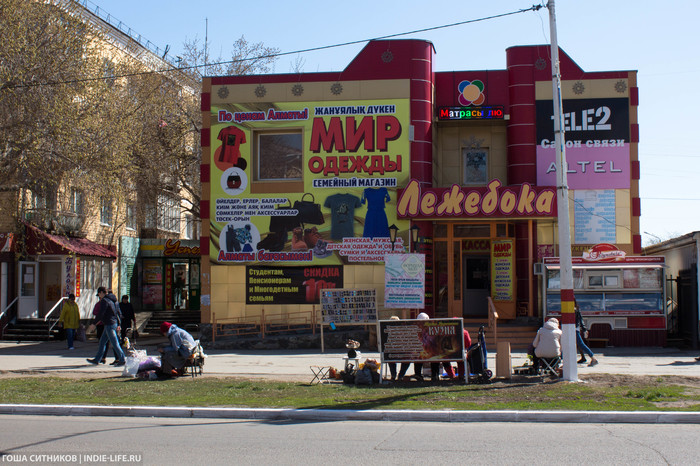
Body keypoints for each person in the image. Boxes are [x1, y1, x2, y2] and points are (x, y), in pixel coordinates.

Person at [86, 286, 126, 366]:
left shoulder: (105, 301)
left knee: (114, 343)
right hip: (113, 323)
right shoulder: (114, 300)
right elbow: (119, 313)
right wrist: (119, 324)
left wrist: (94, 323)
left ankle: (122, 359)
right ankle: (97, 359)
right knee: (102, 342)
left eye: (99, 294)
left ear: (101, 292)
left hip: (109, 324)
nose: (99, 297)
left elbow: (101, 313)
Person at [386, 316, 411, 382]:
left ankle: (393, 375)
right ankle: (401, 375)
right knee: (407, 359)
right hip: (402, 354)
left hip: (391, 355)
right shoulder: (404, 331)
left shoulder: (386, 331)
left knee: (389, 357)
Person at [575, 300, 598, 366]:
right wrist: (584, 329)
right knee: (579, 344)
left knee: (581, 344)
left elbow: (580, 320)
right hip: (575, 328)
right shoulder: (576, 309)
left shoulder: (574, 310)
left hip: (574, 329)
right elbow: (581, 320)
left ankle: (593, 358)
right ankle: (584, 358)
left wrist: (584, 329)